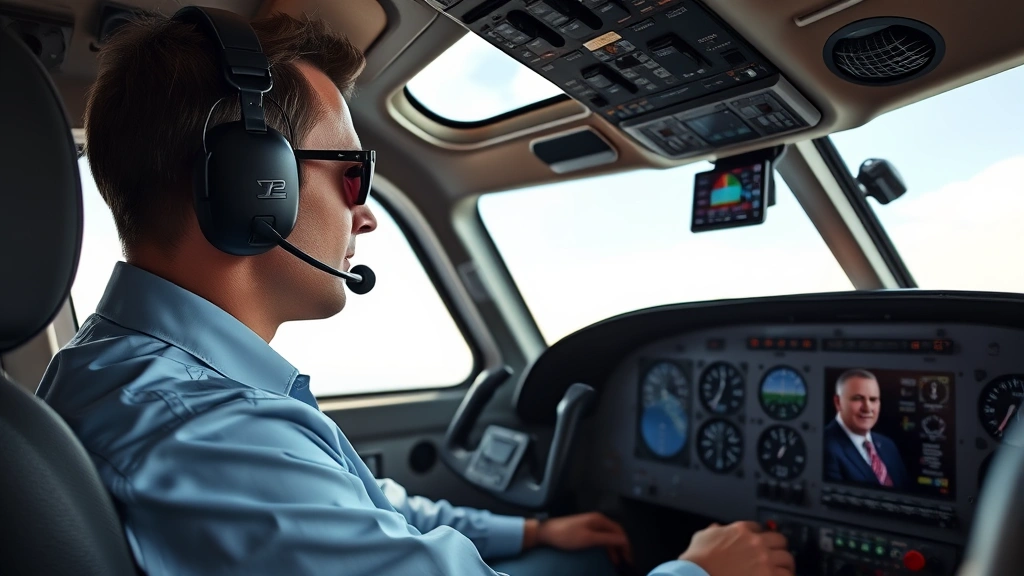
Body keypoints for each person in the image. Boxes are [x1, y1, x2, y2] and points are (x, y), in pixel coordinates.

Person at [36, 8, 794, 576]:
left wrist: (530, 533)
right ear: (252, 188)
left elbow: (362, 505)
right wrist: (701, 571)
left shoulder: (138, 375)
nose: (365, 212)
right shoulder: (199, 433)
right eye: (351, 172)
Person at [824, 369, 910, 489]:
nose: (867, 408)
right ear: (838, 402)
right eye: (858, 398)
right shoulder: (825, 448)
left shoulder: (888, 445)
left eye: (873, 399)